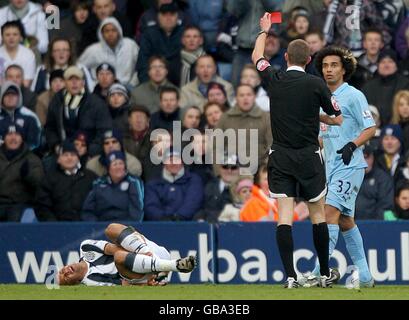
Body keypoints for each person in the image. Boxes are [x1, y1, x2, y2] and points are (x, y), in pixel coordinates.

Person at [252, 13, 343, 288]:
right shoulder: (317, 84)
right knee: (317, 214)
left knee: (284, 216)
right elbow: (336, 117)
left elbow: (257, 56)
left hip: (279, 156)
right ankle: (325, 273)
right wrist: (315, 116)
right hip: (308, 157)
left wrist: (264, 31)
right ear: (309, 60)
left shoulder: (275, 78)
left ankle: (290, 277)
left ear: (287, 58)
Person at [307, 46, 376, 287]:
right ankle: (366, 278)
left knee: (328, 215)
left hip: (350, 164)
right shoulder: (320, 97)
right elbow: (321, 134)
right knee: (345, 220)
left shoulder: (354, 95)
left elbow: (371, 127)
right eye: (325, 66)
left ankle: (319, 273)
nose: (328, 70)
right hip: (330, 167)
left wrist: (352, 145)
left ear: (344, 69)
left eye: (334, 65)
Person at [58, 223, 196, 286]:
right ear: (74, 282)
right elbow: (124, 285)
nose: (65, 272)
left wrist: (144, 254)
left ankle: (160, 266)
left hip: (150, 251)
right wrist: (147, 282)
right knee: (119, 257)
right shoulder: (91, 281)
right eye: (65, 277)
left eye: (61, 271)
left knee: (111, 229)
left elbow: (113, 247)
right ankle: (173, 266)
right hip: (143, 273)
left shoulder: (86, 247)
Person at [45, 66, 112, 157]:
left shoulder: (96, 103)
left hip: (90, 154)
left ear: (83, 82)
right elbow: (50, 128)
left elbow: (104, 131)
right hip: (62, 152)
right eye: (70, 80)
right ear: (65, 83)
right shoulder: (57, 101)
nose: (74, 83)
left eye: (77, 79)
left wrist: (89, 149)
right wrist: (56, 146)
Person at [35, 140, 97, 221]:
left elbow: (99, 202)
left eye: (73, 154)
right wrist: (53, 224)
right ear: (58, 159)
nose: (69, 158)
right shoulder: (49, 179)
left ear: (78, 158)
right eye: (65, 155)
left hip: (87, 227)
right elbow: (42, 206)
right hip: (58, 228)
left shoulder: (90, 177)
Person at [216, 84, 272, 165]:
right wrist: (220, 171)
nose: (245, 98)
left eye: (249, 95)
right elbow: (216, 146)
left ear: (254, 97)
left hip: (259, 169)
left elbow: (271, 146)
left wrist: (265, 169)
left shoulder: (266, 118)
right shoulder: (225, 118)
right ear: (236, 98)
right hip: (231, 169)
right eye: (241, 95)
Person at [82, 151, 144, 221]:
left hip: (126, 227)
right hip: (102, 227)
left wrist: (128, 228)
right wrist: (95, 225)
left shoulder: (133, 182)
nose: (118, 167)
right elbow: (88, 211)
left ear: (125, 166)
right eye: (114, 164)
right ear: (109, 168)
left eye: (121, 163)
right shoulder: (98, 183)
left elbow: (137, 210)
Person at [144, 147, 204, 221]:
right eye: (170, 160)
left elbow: (193, 202)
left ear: (182, 161)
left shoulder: (194, 180)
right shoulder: (153, 183)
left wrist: (179, 217)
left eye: (176, 159)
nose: (173, 163)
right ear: (164, 162)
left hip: (188, 224)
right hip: (160, 225)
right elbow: (151, 206)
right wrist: (163, 218)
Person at [79, 17, 139, 88]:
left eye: (113, 30)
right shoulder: (93, 50)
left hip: (127, 86)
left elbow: (141, 65)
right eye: (107, 31)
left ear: (119, 31)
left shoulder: (130, 45)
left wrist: (133, 82)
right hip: (102, 89)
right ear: (101, 34)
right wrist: (91, 85)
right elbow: (80, 66)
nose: (110, 34)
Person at [0, 125, 43, 222]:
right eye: (9, 134)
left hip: (20, 204)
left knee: (14, 222)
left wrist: (28, 175)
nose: (13, 138)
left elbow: (40, 183)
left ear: (22, 138)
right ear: (4, 137)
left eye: (17, 134)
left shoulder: (32, 159)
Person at [136, 2, 184, 86]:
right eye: (164, 14)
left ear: (177, 17)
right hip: (153, 83)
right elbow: (142, 63)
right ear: (158, 17)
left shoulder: (185, 34)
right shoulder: (149, 34)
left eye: (172, 14)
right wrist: (149, 87)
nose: (168, 18)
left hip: (180, 83)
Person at [362, 49, 409, 126]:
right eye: (383, 62)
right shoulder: (368, 87)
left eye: (390, 61)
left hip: (401, 128)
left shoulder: (406, 83)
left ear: (396, 65)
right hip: (374, 129)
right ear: (378, 66)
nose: (386, 65)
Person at [194, 153, 239, 223]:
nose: (229, 171)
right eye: (225, 167)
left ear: (238, 169)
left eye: (233, 167)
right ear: (220, 168)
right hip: (210, 228)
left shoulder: (245, 189)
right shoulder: (209, 186)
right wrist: (200, 218)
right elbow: (199, 208)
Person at [355, 145, 394, 220]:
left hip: (375, 224)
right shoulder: (348, 177)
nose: (363, 161)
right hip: (351, 224)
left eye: (366, 157)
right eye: (360, 158)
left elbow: (385, 205)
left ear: (372, 158)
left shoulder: (382, 178)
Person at [0, 81, 41, 150]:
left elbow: (34, 142)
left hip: (25, 156)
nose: (10, 97)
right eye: (7, 95)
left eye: (13, 94)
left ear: (19, 97)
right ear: (1, 97)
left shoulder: (30, 117)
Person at [0, 20, 36, 88]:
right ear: (2, 37)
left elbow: (26, 83)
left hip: (23, 92)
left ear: (20, 37)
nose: (11, 37)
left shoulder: (28, 54)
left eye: (15, 34)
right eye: (7, 35)